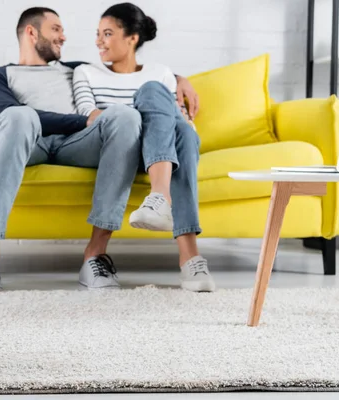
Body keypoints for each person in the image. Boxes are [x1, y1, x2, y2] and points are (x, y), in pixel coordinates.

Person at [0, 7, 201, 292]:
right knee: (18, 115)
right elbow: (2, 112)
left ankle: (95, 255)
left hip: (75, 145)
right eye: (56, 29)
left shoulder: (78, 69)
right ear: (31, 32)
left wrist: (178, 80)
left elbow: (126, 66)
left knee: (124, 116)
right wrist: (83, 119)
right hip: (29, 143)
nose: (63, 37)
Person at [72, 2, 216, 292]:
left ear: (132, 38)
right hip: (117, 145)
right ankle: (186, 250)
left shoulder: (160, 72)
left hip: (159, 149)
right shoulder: (85, 72)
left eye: (108, 33)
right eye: (98, 33)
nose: (98, 41)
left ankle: (164, 212)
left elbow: (180, 122)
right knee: (158, 111)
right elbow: (90, 116)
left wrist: (175, 82)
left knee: (183, 133)